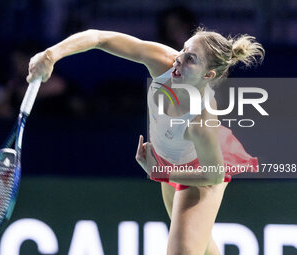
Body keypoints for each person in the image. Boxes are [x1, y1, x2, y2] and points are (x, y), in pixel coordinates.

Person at [26, 28, 264, 254]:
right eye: (183, 50)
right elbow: (99, 38)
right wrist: (50, 55)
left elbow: (214, 175)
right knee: (198, 245)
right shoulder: (164, 62)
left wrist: (160, 172)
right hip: (167, 162)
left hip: (200, 172)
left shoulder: (201, 122)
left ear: (208, 75)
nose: (179, 59)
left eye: (190, 58)